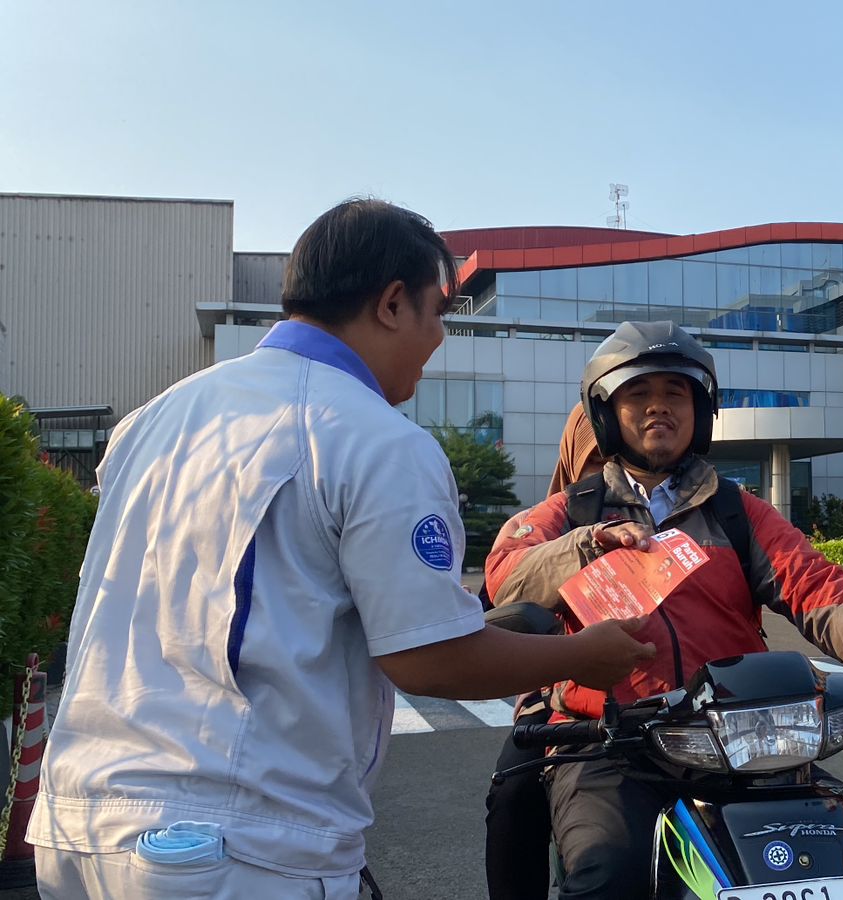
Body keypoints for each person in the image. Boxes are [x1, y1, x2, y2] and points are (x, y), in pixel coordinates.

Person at [26, 199, 654, 900]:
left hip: (74, 826)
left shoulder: (154, 418)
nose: (440, 337)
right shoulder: (376, 439)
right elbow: (428, 654)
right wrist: (585, 656)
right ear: (391, 303)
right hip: (237, 847)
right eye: (437, 312)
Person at [484, 320, 843, 900]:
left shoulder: (740, 514)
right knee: (610, 874)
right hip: (612, 745)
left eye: (676, 393)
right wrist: (587, 545)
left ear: (702, 411)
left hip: (741, 735)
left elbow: (819, 588)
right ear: (606, 413)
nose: (658, 408)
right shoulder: (566, 514)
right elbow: (507, 580)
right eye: (638, 394)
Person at [484, 402, 605, 900]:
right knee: (514, 791)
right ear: (573, 459)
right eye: (597, 459)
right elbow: (499, 602)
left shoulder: (711, 515)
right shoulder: (542, 524)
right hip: (565, 705)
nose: (612, 471)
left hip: (695, 707)